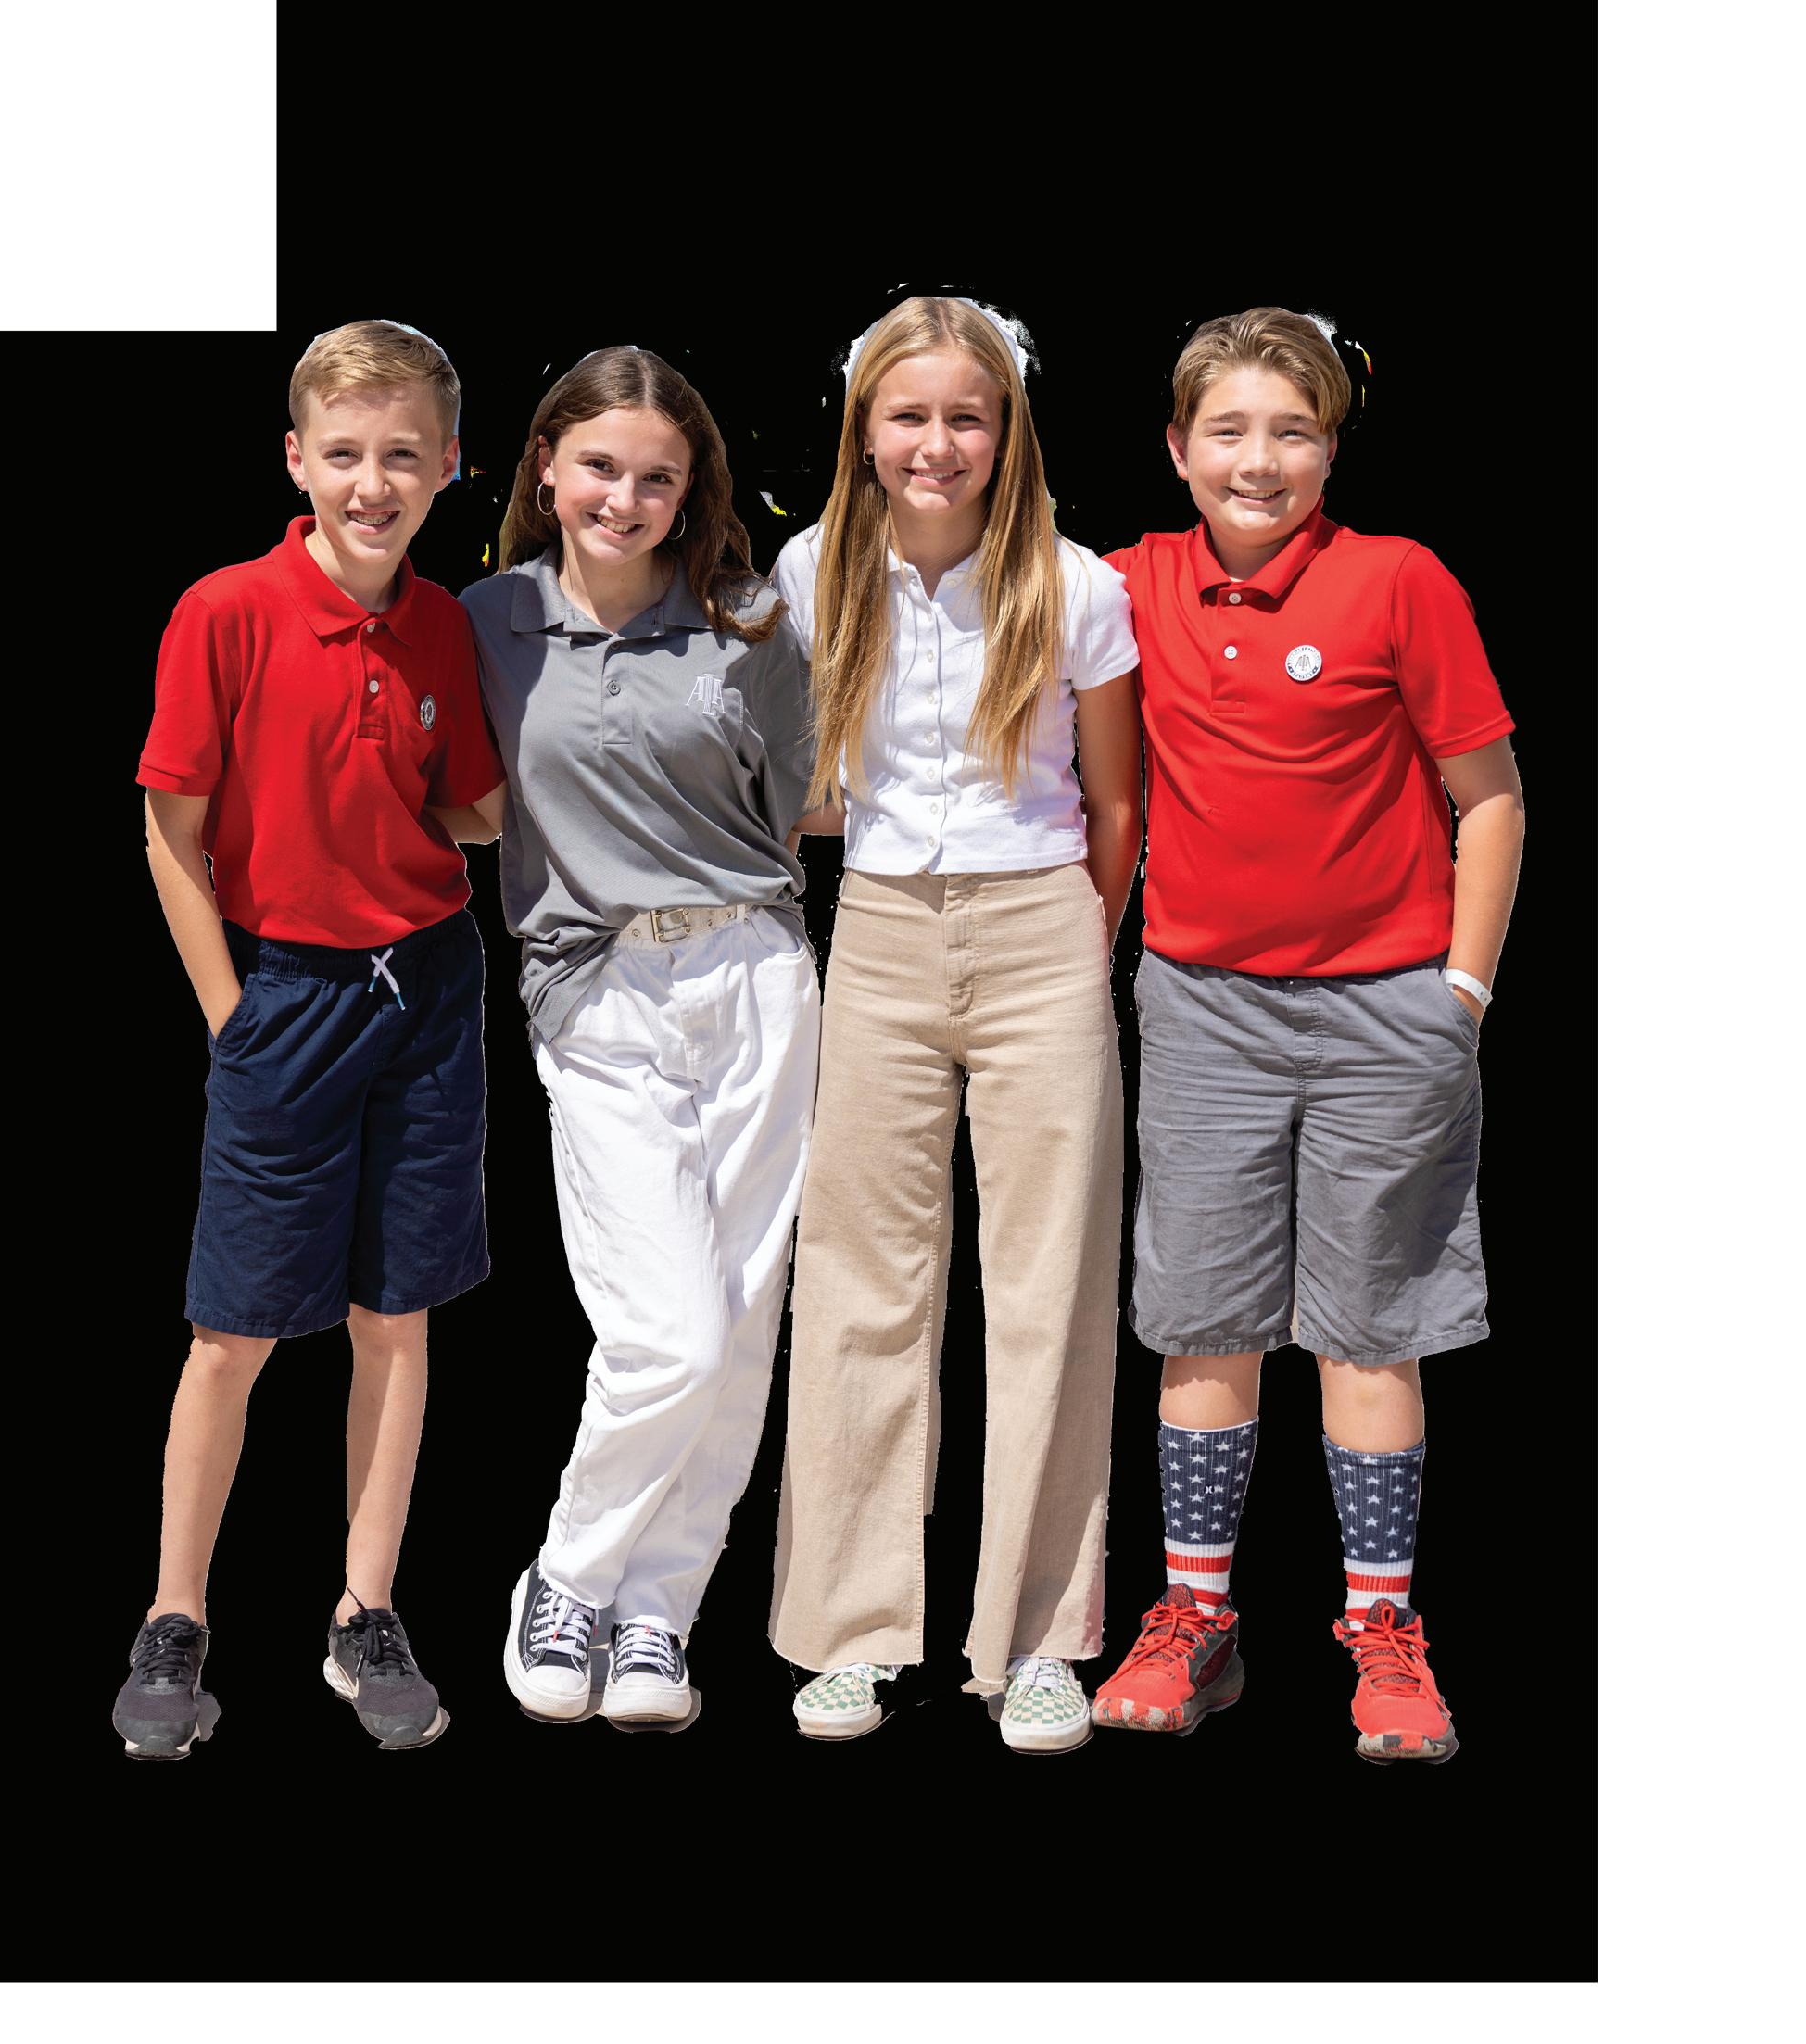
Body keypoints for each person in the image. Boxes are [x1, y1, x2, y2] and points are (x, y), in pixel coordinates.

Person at [1092, 308, 1523, 1764]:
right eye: (1228, 429)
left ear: (1332, 448)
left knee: (1369, 1325)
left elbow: (1491, 797)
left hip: (1387, 1012)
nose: (1258, 459)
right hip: (1203, 1006)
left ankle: (1384, 1628)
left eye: (1292, 430)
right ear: (1177, 447)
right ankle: (1194, 1612)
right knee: (1203, 1317)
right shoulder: (1126, 584)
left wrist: (1463, 993)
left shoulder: (1400, 580)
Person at [113, 319, 506, 1758]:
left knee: (394, 1315)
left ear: (448, 466)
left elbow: (472, 807)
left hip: (429, 992)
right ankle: (175, 1615)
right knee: (232, 1332)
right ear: (296, 458)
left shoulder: (446, 622)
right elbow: (169, 832)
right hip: (284, 997)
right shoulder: (225, 609)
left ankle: (365, 1606)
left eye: (404, 455)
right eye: (345, 453)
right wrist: (233, 1016)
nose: (373, 482)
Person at [764, 296, 1143, 1755]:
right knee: (860, 1279)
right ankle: (853, 1632)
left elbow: (1115, 801)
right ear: (865, 428)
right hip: (876, 926)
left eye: (966, 417)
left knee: (1049, 1285)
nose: (938, 442)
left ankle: (1036, 1638)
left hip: (1043, 921)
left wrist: (1078, 949)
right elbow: (793, 778)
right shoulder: (811, 573)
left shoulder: (1075, 585)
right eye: (909, 414)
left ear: (1008, 431)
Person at [460, 346, 821, 1734]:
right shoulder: (486, 620)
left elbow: (800, 801)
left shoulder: (749, 620)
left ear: (691, 492)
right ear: (546, 467)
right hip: (596, 991)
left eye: (657, 478)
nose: (625, 498)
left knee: (741, 1319)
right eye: (600, 467)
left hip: (756, 977)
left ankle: (662, 1610)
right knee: (666, 1331)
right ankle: (567, 1574)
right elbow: (451, 791)